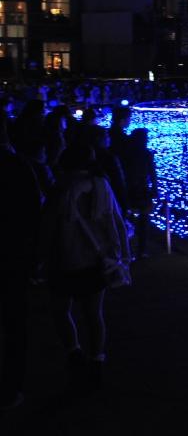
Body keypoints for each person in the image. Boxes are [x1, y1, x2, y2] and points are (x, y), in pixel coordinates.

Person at [39, 144, 130, 391]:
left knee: (61, 310)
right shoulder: (103, 186)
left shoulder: (61, 189)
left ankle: (74, 352)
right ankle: (97, 359)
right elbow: (117, 221)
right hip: (97, 260)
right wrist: (123, 255)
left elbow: (47, 226)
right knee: (94, 313)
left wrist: (40, 258)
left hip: (64, 259)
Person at [0, 116, 43, 408]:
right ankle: (12, 387)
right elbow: (34, 211)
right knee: (14, 322)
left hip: (13, 253)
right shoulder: (18, 166)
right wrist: (36, 256)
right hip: (13, 255)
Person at [120, 128, 158, 259]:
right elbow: (152, 172)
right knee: (143, 219)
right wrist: (155, 187)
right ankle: (141, 250)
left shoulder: (126, 153)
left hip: (130, 189)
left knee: (130, 219)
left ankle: (129, 249)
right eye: (145, 138)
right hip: (141, 190)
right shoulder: (146, 153)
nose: (147, 140)